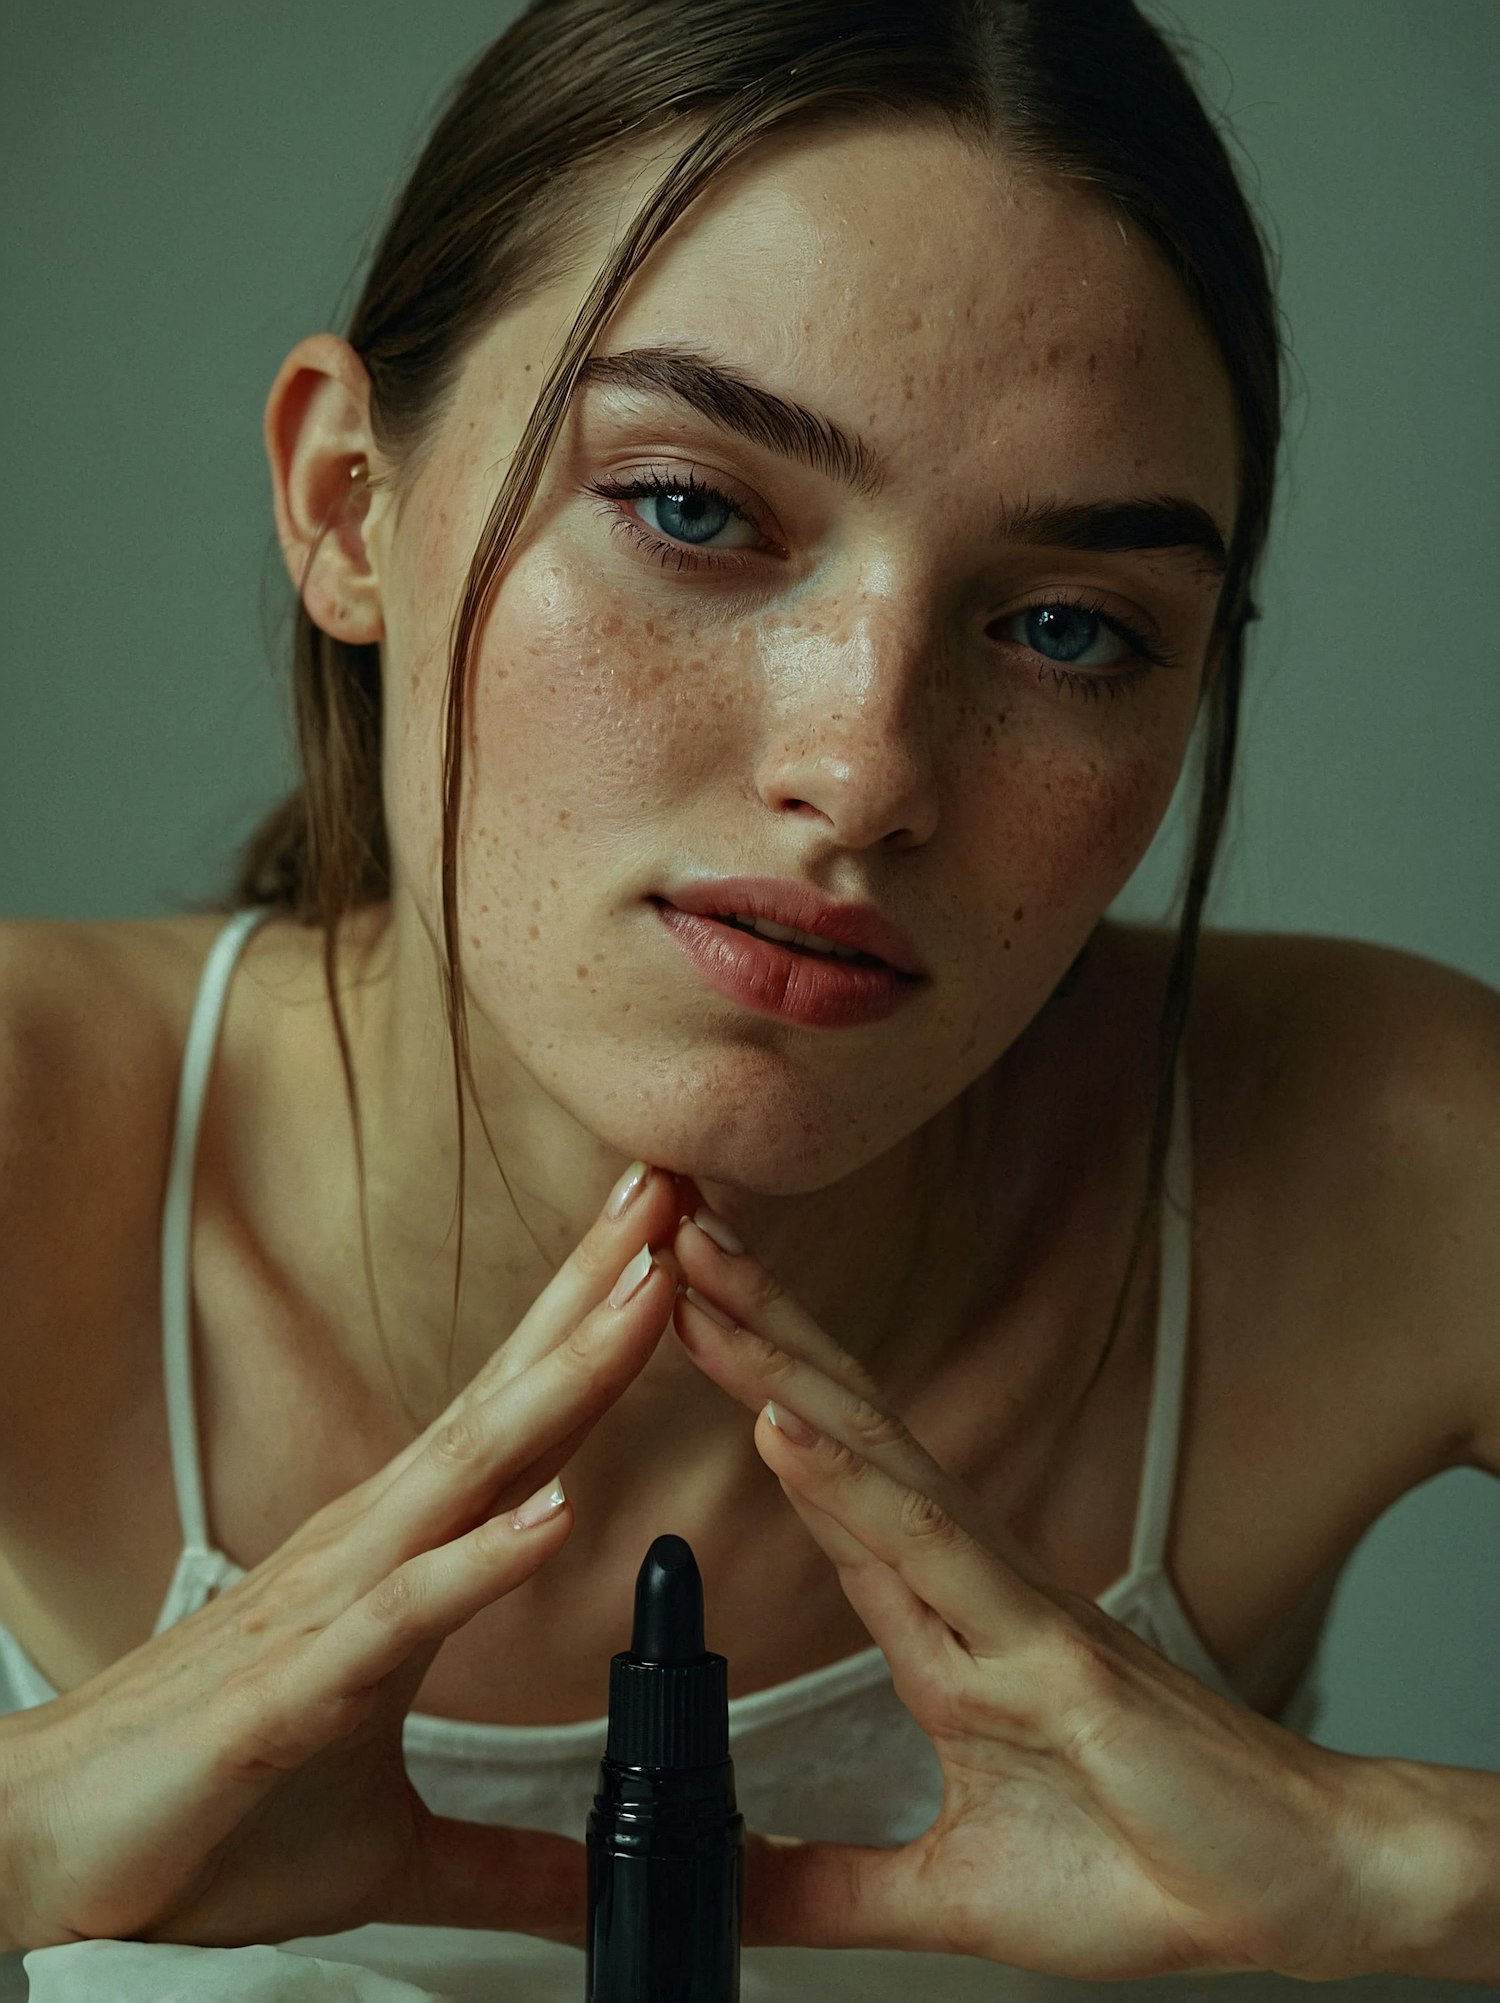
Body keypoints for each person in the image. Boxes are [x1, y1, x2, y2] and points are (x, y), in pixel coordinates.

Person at [1, 0, 1496, 1995]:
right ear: (350, 504)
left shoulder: (1384, 1166)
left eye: (1070, 627)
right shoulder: (32, 1143)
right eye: (694, 511)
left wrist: (1400, 1866)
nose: (869, 771)